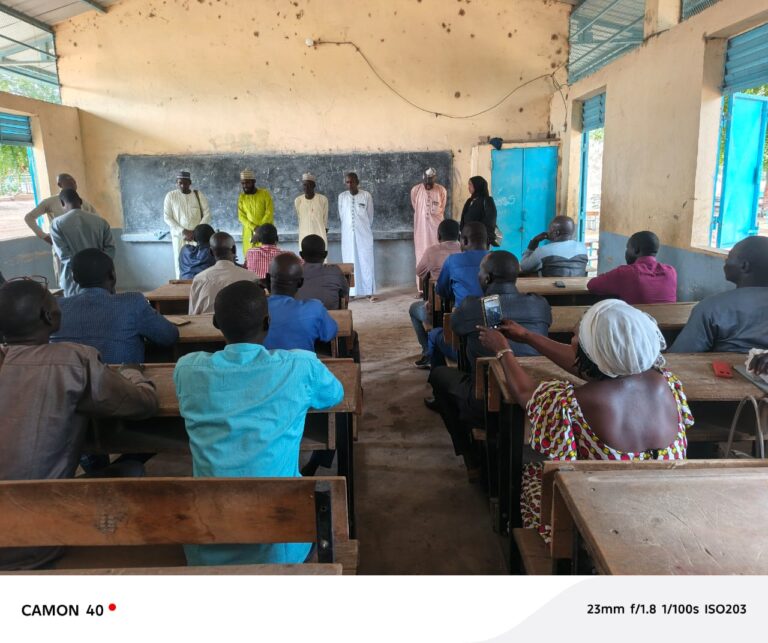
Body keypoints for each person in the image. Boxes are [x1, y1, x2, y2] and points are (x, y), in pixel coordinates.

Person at [478, 299, 692, 540]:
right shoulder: (668, 384)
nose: (571, 341)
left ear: (590, 354)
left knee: (532, 475)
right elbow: (599, 366)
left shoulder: (571, 402)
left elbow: (525, 393)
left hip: (603, 523)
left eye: (576, 339)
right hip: (666, 511)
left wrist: (503, 350)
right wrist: (527, 336)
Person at [174, 280, 344, 566]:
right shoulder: (300, 367)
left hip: (206, 543)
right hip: (279, 543)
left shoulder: (188, 369)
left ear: (215, 323)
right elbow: (335, 395)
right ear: (268, 322)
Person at [0, 279, 158, 570]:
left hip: (15, 528)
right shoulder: (72, 360)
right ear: (48, 315)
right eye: (52, 300)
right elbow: (143, 404)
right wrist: (133, 373)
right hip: (33, 543)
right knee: (132, 469)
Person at [428, 252, 552, 471]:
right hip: (536, 396)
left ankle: (469, 454)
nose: (478, 275)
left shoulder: (473, 306)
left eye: (480, 271)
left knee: (438, 375)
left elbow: (455, 326)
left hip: (487, 402)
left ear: (487, 278)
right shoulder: (539, 304)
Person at [52, 249, 179, 363]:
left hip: (69, 380)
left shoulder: (57, 307)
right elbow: (169, 336)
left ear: (74, 278)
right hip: (122, 380)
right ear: (112, 276)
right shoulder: (132, 302)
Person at [669, 236, 768, 353]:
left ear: (744, 266)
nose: (725, 260)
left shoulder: (711, 308)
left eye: (729, 256)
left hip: (723, 365)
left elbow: (680, 355)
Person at [23, 173, 96, 281]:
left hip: (82, 246)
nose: (73, 183)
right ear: (59, 184)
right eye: (69, 181)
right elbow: (29, 218)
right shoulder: (50, 202)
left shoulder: (82, 202)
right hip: (61, 247)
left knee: (85, 277)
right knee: (64, 278)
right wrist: (44, 236)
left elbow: (97, 220)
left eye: (74, 181)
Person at [411, 219, 461, 367]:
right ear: (459, 236)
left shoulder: (432, 251)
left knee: (413, 309)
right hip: (463, 308)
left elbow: (419, 272)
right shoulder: (465, 250)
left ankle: (427, 352)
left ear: (438, 236)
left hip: (437, 311)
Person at [263, 253, 338, 352]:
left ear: (267, 279)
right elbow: (330, 333)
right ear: (300, 282)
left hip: (263, 362)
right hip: (301, 362)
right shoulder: (314, 308)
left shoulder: (254, 309)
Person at [50, 189, 115, 297]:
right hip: (101, 278)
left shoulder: (56, 224)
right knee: (104, 304)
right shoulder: (101, 221)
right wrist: (99, 267)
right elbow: (110, 249)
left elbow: (64, 256)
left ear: (62, 203)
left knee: (76, 306)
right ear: (80, 201)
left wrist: (83, 271)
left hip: (74, 280)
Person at [587, 231, 677, 304]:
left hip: (638, 321)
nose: (626, 252)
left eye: (628, 248)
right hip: (668, 320)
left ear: (636, 250)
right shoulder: (671, 272)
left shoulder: (626, 273)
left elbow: (592, 285)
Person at [189, 232, 259, 314]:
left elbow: (192, 314)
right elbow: (258, 311)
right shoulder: (252, 277)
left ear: (211, 252)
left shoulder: (199, 279)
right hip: (242, 322)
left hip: (206, 322)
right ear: (234, 250)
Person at [163, 170, 212, 279]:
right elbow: (167, 217)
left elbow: (207, 214)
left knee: (200, 264)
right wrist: (183, 231)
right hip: (179, 237)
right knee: (180, 264)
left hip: (197, 238)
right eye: (180, 183)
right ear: (176, 183)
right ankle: (181, 287)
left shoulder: (198, 195)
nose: (182, 185)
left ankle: (199, 285)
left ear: (190, 183)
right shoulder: (170, 196)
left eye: (185, 183)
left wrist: (196, 232)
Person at [338, 172, 376, 300]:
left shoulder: (366, 196)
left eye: (352, 182)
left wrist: (361, 227)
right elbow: (342, 216)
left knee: (366, 261)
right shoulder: (342, 197)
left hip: (364, 235)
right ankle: (352, 292)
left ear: (357, 182)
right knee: (350, 261)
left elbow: (370, 216)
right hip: (348, 236)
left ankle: (368, 292)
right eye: (347, 182)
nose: (350, 184)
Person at [411, 167, 448, 285]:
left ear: (434, 179)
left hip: (436, 231)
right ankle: (421, 288)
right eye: (425, 182)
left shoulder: (441, 190)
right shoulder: (416, 190)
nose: (427, 184)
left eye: (430, 182)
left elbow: (442, 207)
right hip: (421, 230)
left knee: (437, 256)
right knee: (421, 256)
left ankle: (438, 285)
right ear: (423, 179)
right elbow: (415, 205)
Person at [520, 216, 588, 277]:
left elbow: (524, 267)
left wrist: (534, 241)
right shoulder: (583, 248)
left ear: (556, 233)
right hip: (576, 286)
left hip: (548, 287)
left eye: (550, 230)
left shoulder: (543, 250)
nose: (548, 232)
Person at [297, 234, 349, 310]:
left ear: (301, 255)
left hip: (301, 316)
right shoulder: (335, 271)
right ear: (325, 254)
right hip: (332, 316)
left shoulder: (294, 273)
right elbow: (344, 295)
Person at [238, 168, 274, 257]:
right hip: (249, 233)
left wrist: (259, 231)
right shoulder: (242, 197)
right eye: (243, 183)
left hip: (265, 233)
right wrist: (254, 228)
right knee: (250, 258)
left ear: (254, 182)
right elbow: (241, 217)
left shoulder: (265, 194)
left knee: (266, 259)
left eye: (247, 183)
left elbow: (269, 213)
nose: (245, 186)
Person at [459, 176, 497, 247]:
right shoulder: (469, 201)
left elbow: (491, 220)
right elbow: (463, 218)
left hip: (481, 239)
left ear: (477, 185)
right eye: (468, 184)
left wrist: (483, 236)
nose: (468, 187)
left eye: (470, 184)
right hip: (468, 237)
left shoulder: (487, 200)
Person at [295, 172, 329, 246]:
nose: (306, 187)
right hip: (304, 234)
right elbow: (299, 218)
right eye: (304, 185)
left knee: (320, 251)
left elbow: (325, 220)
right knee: (305, 251)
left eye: (309, 185)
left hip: (320, 234)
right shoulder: (298, 200)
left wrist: (324, 232)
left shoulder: (323, 199)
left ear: (314, 186)